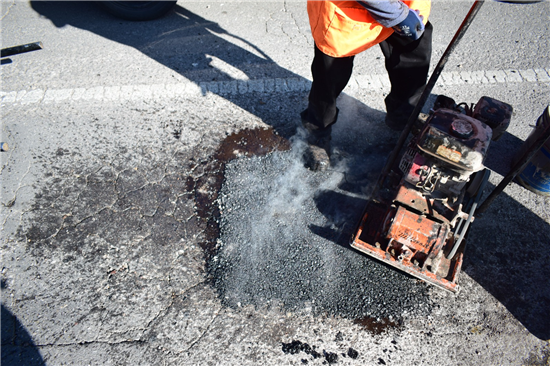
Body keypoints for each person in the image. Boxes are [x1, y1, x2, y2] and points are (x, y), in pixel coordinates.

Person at [301, 0, 433, 171]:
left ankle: (404, 118)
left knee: (413, 66)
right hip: (346, 11)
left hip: (408, 7)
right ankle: (318, 132)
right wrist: (397, 14)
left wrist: (401, 13)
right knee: (329, 79)